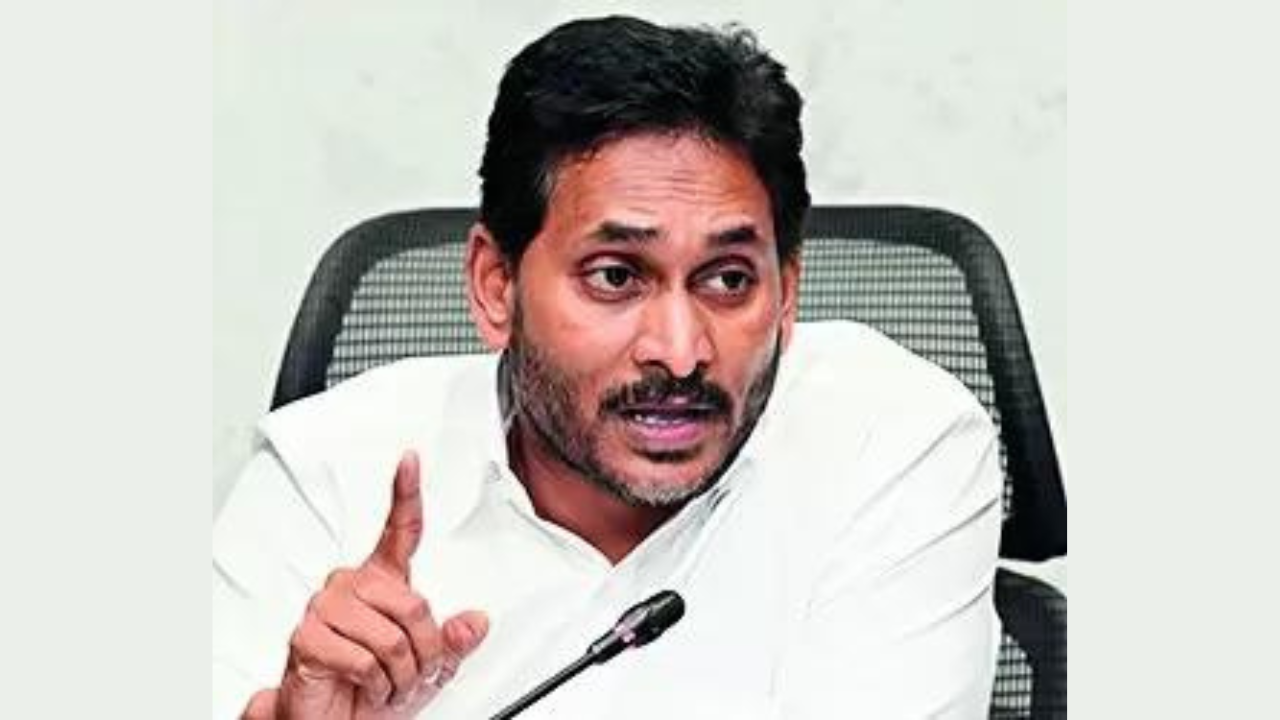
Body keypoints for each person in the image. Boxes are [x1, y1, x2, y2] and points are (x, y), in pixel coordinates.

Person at [213, 14, 1003, 720]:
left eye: (729, 280)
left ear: (787, 293)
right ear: (496, 285)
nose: (681, 351)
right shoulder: (327, 477)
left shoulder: (890, 442)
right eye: (616, 276)